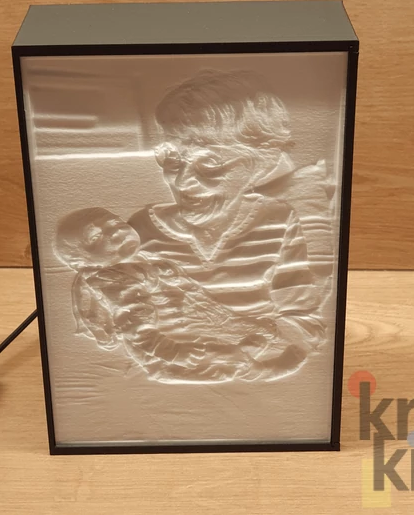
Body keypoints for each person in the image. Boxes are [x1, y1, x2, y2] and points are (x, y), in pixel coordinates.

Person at [128, 70, 326, 351]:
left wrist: (232, 328)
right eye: (172, 156)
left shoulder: (277, 221)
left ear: (260, 166)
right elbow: (124, 321)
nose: (182, 181)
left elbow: (305, 328)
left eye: (210, 162)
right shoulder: (139, 230)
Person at [54, 207, 301, 383]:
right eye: (96, 237)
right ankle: (258, 370)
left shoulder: (142, 261)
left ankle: (247, 348)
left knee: (259, 330)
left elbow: (189, 292)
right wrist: (174, 351)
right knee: (218, 361)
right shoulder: (114, 281)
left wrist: (222, 317)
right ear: (81, 262)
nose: (115, 232)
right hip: (167, 347)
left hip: (193, 321)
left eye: (115, 222)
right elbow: (137, 328)